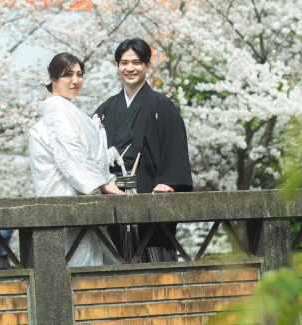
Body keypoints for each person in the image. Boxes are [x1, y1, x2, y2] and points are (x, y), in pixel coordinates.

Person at [95, 38, 193, 262]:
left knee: (155, 262)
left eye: (136, 62)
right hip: (113, 197)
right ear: (118, 67)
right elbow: (92, 153)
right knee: (115, 263)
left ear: (148, 66)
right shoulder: (105, 109)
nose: (130, 68)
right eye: (124, 63)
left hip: (150, 193)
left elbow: (175, 147)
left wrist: (169, 181)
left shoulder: (163, 106)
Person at [29, 52, 124, 267]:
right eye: (68, 75)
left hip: (80, 201)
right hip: (69, 203)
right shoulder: (56, 110)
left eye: (79, 74)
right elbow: (71, 152)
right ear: (53, 79)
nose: (75, 80)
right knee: (78, 269)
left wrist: (105, 178)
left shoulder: (67, 110)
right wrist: (100, 182)